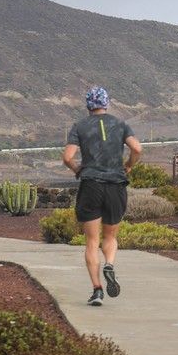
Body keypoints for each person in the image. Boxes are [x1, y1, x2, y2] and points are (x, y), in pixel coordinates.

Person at [62, 86, 142, 306]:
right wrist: (128, 166)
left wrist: (79, 170)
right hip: (116, 185)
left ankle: (97, 290)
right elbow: (137, 148)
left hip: (91, 185)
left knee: (91, 241)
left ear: (88, 105)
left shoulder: (79, 126)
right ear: (106, 103)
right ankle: (110, 263)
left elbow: (68, 157)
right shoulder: (120, 124)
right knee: (110, 237)